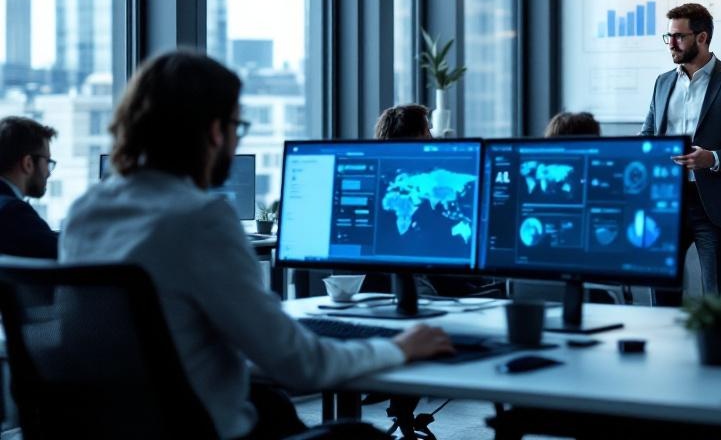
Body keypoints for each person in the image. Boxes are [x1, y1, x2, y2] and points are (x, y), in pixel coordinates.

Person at [60, 51, 453, 440]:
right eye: (237, 126)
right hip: (204, 429)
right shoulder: (200, 218)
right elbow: (299, 364)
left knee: (271, 405)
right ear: (215, 131)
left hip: (117, 427)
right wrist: (399, 348)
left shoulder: (84, 213)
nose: (234, 139)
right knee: (361, 437)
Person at [640, 3, 721, 300]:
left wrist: (714, 158)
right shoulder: (662, 82)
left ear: (702, 37)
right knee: (661, 293)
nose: (671, 44)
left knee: (718, 296)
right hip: (664, 201)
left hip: (713, 206)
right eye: (668, 36)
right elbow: (648, 135)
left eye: (679, 37)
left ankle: (716, 347)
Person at [0, 116, 59, 259]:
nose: (49, 173)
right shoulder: (13, 212)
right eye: (47, 162)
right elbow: (64, 251)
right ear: (28, 163)